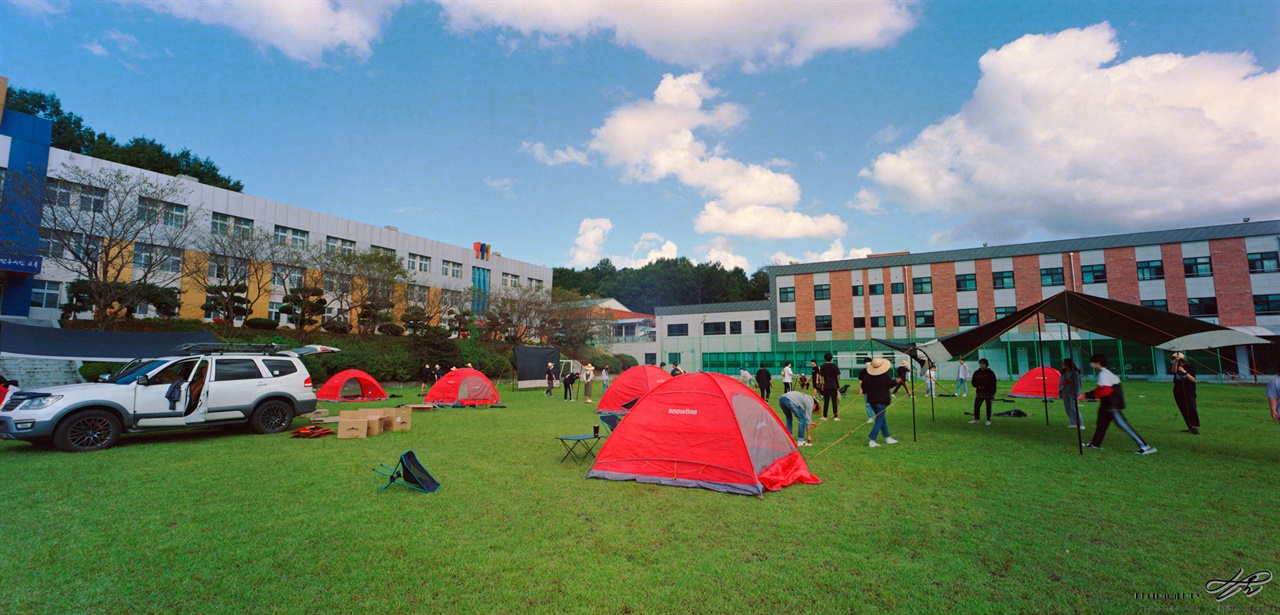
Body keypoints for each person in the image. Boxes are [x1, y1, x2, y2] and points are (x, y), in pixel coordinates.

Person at [1084, 354, 1156, 454]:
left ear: (1097, 363)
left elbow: (1105, 390)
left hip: (1112, 405)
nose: (1091, 364)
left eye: (1092, 362)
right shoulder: (1102, 373)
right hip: (1106, 404)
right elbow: (1101, 389)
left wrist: (1089, 395)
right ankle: (1095, 444)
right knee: (1101, 425)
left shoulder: (1105, 374)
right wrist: (1091, 396)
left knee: (1123, 425)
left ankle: (1144, 446)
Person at [861, 358, 898, 448]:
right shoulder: (884, 376)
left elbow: (863, 387)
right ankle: (872, 440)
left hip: (872, 401)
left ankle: (888, 437)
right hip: (881, 401)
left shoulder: (868, 377)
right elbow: (890, 384)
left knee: (881, 419)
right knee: (879, 420)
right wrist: (897, 381)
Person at [1171, 352, 1200, 435]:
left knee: (1191, 407)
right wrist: (1176, 363)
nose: (1172, 360)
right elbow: (1173, 371)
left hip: (1189, 390)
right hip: (1178, 390)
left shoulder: (1189, 367)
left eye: (1174, 359)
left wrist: (1185, 372)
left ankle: (1194, 426)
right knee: (1183, 408)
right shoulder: (1175, 366)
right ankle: (1189, 426)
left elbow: (1192, 379)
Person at [971, 358, 997, 425]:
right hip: (979, 392)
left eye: (983, 363)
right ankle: (976, 419)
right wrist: (977, 386)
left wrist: (992, 392)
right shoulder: (976, 373)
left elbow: (993, 383)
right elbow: (973, 382)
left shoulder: (990, 373)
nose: (981, 365)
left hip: (988, 392)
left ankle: (988, 420)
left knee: (988, 406)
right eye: (980, 363)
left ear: (986, 364)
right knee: (976, 406)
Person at [1059, 358, 1084, 428]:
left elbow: (1077, 385)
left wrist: (1076, 394)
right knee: (1068, 408)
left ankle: (1081, 423)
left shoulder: (1075, 373)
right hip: (1064, 392)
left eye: (1064, 362)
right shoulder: (1064, 373)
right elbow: (1060, 383)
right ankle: (1073, 423)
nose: (1062, 363)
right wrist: (1060, 392)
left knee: (1074, 408)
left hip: (1072, 393)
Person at [819, 352, 841, 421]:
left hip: (826, 386)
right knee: (834, 401)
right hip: (834, 385)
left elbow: (822, 377)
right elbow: (837, 376)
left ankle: (824, 416)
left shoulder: (822, 367)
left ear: (824, 358)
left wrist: (822, 385)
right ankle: (836, 417)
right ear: (831, 358)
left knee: (826, 401)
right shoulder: (835, 366)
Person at [858, 357, 876, 424]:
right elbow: (861, 382)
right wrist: (861, 390)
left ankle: (876, 415)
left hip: (874, 390)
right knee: (868, 404)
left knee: (875, 403)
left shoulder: (875, 370)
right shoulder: (862, 372)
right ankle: (870, 417)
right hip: (866, 390)